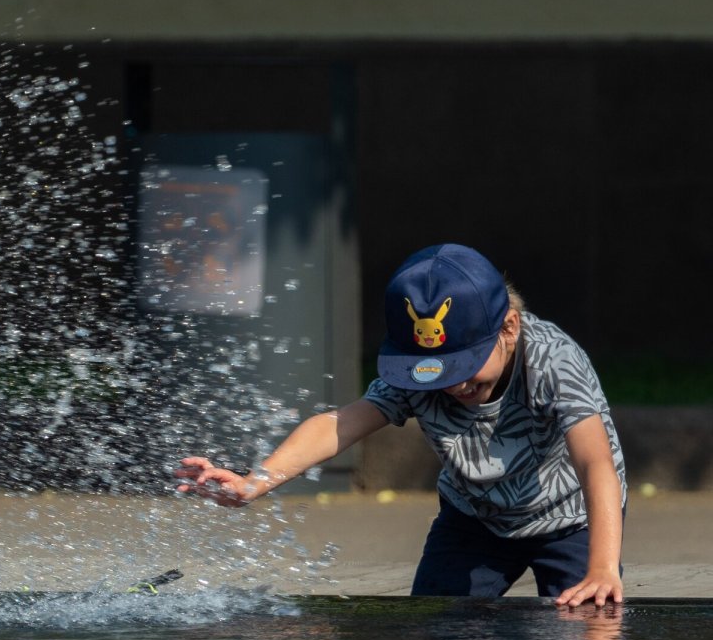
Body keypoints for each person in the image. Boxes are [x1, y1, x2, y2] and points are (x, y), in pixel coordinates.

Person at [174, 243, 625, 608]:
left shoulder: (552, 360)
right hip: (475, 519)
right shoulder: (421, 373)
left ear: (508, 328)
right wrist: (255, 483)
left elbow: (595, 462)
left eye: (464, 365)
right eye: (437, 371)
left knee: (588, 635)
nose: (454, 384)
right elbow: (341, 425)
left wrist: (603, 567)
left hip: (572, 519)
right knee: (438, 637)